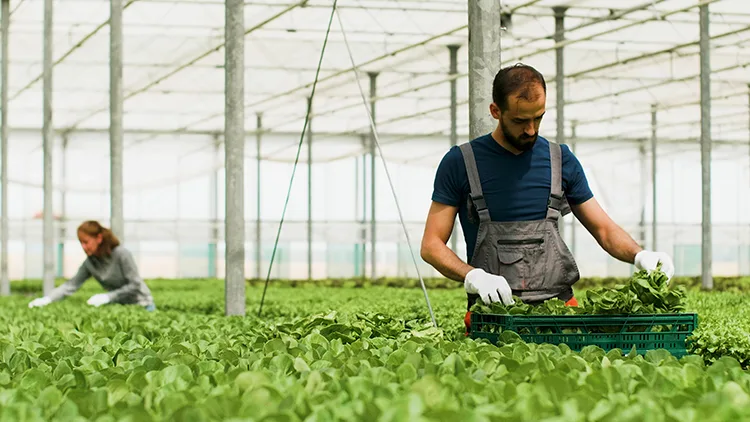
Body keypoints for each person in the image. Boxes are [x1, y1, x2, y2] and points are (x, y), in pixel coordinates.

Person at [419, 63, 674, 334]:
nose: (530, 129)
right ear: (496, 111)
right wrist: (472, 275)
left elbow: (603, 229)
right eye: (520, 121)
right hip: (493, 319)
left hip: (561, 316)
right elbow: (431, 245)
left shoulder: (561, 160)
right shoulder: (460, 162)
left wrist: (640, 255)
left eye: (538, 118)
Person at [28, 220, 156, 311]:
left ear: (99, 238)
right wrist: (48, 299)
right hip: (121, 306)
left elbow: (135, 284)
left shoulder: (121, 254)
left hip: (142, 305)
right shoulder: (90, 263)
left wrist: (108, 296)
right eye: (81, 243)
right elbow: (71, 285)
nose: (83, 247)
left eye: (86, 242)